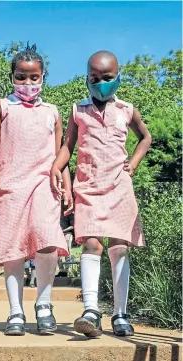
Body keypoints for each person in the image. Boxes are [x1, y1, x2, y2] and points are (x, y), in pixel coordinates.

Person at [51, 51, 152, 338]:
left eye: (107, 78)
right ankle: (91, 312)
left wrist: (132, 163)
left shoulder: (126, 109)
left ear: (118, 77)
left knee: (119, 247)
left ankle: (120, 313)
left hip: (119, 187)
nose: (101, 83)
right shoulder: (78, 110)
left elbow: (146, 137)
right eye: (94, 78)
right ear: (87, 78)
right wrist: (57, 169)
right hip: (88, 186)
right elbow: (67, 147)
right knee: (91, 244)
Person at [0, 44, 72, 336]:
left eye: (34, 77)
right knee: (14, 249)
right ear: (11, 77)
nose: (28, 83)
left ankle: (44, 305)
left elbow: (61, 152)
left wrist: (67, 186)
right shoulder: (1, 106)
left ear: (43, 77)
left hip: (44, 185)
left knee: (48, 241)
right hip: (9, 185)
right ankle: (15, 311)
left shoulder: (53, 111)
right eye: (21, 77)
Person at [57, 210, 75, 277]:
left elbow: (72, 226)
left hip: (67, 234)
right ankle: (61, 270)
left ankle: (67, 271)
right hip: (58, 234)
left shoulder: (69, 213)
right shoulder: (56, 212)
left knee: (67, 253)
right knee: (58, 253)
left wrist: (62, 230)